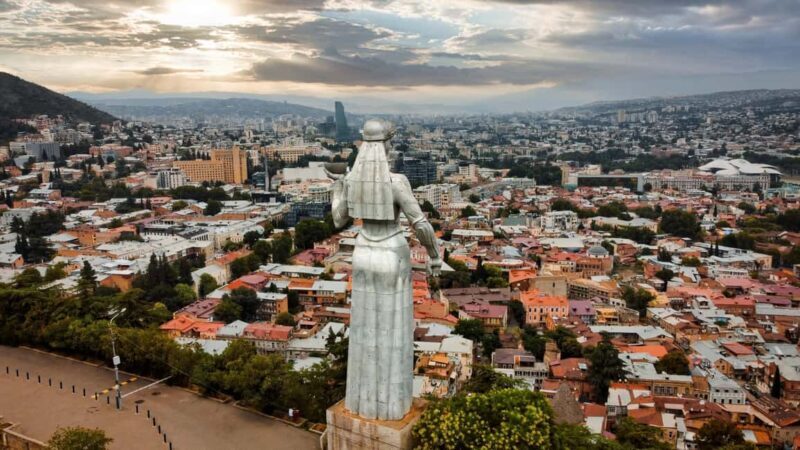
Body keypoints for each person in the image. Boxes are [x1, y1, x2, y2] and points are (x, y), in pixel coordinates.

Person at [326, 119, 441, 421]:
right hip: (391, 253)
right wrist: (434, 257)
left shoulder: (353, 181)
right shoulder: (396, 182)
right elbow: (421, 225)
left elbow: (338, 220)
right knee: (394, 332)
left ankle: (361, 405)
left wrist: (337, 187)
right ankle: (391, 409)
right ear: (387, 146)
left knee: (364, 328)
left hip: (363, 253)